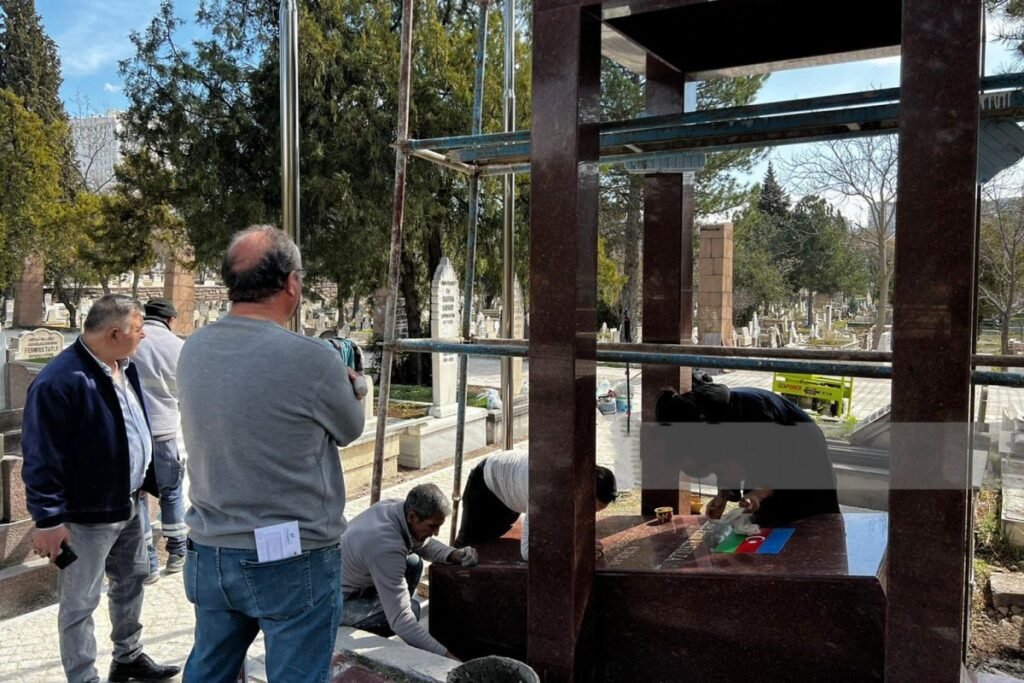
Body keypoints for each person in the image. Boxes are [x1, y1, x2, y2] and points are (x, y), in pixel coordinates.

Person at [178, 225, 366, 682]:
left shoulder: (194, 348)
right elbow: (350, 429)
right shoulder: (314, 358)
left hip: (211, 550)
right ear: (291, 283)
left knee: (209, 669)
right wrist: (357, 386)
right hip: (291, 556)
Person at [22, 294, 180, 683]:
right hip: (85, 515)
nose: (144, 335)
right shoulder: (60, 380)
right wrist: (48, 519)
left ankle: (128, 657)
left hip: (129, 503)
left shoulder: (125, 367)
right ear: (114, 333)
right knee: (80, 601)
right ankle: (83, 677)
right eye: (139, 328)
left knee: (132, 581)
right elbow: (41, 456)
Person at [654, 382, 840, 525]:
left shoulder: (753, 414)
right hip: (766, 453)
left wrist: (758, 495)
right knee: (762, 518)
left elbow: (779, 463)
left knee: (808, 522)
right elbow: (723, 460)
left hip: (801, 452)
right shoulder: (708, 418)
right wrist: (723, 496)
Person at [339, 484, 478, 657]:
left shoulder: (395, 508)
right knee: (411, 609)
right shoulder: (386, 547)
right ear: (412, 516)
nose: (436, 533)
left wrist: (452, 554)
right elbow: (401, 620)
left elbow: (422, 543)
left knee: (413, 562)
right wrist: (447, 658)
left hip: (350, 580)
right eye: (432, 526)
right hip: (334, 606)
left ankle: (390, 603)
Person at [453, 449, 618, 560]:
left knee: (492, 543)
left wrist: (581, 541)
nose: (589, 516)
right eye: (590, 509)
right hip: (485, 485)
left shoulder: (575, 482)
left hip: (512, 486)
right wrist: (576, 547)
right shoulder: (544, 491)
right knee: (468, 544)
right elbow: (527, 552)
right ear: (581, 492)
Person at [132, 297, 186, 583]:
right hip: (165, 430)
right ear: (171, 320)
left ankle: (149, 563)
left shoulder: (133, 340)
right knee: (171, 490)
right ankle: (177, 552)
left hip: (134, 430)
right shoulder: (178, 346)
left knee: (138, 494)